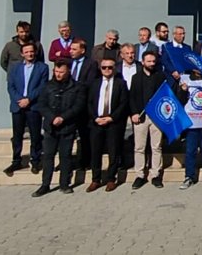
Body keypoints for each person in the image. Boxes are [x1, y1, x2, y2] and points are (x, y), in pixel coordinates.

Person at [32, 60, 86, 197]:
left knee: (65, 156)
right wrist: (52, 118)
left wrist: (63, 117)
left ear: (68, 71)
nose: (58, 74)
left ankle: (64, 184)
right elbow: (42, 105)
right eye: (56, 72)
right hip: (50, 127)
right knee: (48, 156)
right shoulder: (47, 86)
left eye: (61, 72)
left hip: (67, 126)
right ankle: (45, 184)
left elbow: (78, 106)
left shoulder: (77, 87)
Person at [3, 43, 49, 177]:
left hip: (33, 106)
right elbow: (11, 86)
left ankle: (35, 160)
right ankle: (16, 160)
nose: (30, 54)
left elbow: (42, 86)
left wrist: (29, 99)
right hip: (18, 106)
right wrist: (19, 99)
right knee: (17, 135)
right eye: (27, 52)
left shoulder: (42, 67)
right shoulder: (15, 68)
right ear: (22, 54)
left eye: (31, 51)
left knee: (35, 135)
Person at [86, 57, 128, 193]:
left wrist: (111, 118)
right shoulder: (95, 83)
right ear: (100, 68)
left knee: (113, 152)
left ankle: (111, 179)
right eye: (104, 67)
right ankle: (96, 179)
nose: (107, 70)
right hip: (96, 122)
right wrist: (95, 118)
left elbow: (123, 103)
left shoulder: (121, 83)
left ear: (114, 68)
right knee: (95, 152)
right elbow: (89, 102)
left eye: (110, 67)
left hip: (113, 123)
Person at [129, 51, 167, 190]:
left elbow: (164, 96)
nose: (151, 63)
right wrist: (134, 113)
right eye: (149, 61)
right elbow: (132, 97)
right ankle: (139, 175)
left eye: (153, 61)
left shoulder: (160, 76)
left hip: (156, 116)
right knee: (139, 147)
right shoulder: (136, 77)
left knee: (156, 147)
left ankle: (155, 175)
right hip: (140, 117)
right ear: (143, 62)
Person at [68, 38, 97, 171]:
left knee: (84, 134)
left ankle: (85, 161)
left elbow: (89, 83)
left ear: (82, 50)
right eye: (71, 49)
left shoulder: (91, 64)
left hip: (83, 104)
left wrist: (73, 89)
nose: (71, 51)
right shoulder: (68, 63)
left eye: (74, 49)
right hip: (68, 105)